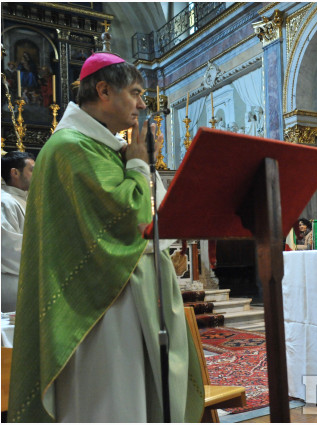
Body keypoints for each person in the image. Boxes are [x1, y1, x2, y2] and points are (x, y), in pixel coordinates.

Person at [8, 52, 203, 422]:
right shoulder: (71, 148)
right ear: (103, 90)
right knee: (111, 404)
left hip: (122, 301)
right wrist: (139, 163)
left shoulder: (98, 146)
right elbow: (131, 219)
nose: (142, 104)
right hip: (100, 310)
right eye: (134, 92)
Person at [1, 151, 35, 312]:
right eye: (32, 170)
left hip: (28, 278)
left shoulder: (27, 200)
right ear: (15, 172)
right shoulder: (5, 202)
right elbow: (8, 248)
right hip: (14, 283)